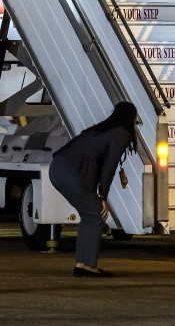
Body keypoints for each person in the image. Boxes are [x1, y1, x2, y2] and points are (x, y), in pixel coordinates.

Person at [48, 101, 137, 277]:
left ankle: (81, 265)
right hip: (69, 170)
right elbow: (109, 167)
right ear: (130, 118)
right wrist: (103, 196)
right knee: (96, 216)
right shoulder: (121, 133)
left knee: (89, 216)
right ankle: (89, 266)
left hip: (58, 167)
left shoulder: (104, 129)